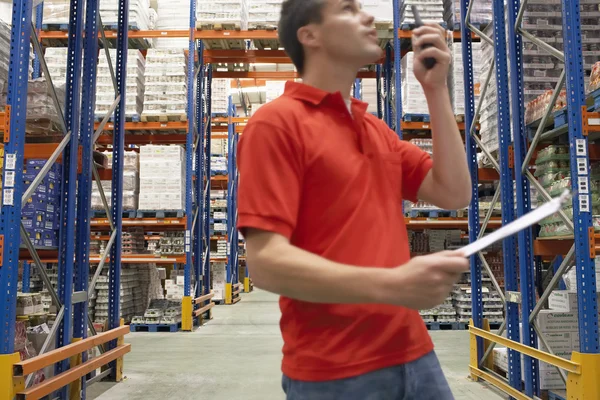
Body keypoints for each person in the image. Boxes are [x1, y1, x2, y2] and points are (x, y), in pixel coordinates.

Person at [236, 0, 472, 398]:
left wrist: (435, 91)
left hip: (416, 356)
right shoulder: (275, 124)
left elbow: (454, 192)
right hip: (335, 371)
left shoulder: (375, 130)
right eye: (348, 9)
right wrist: (393, 285)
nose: (367, 17)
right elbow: (265, 264)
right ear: (309, 35)